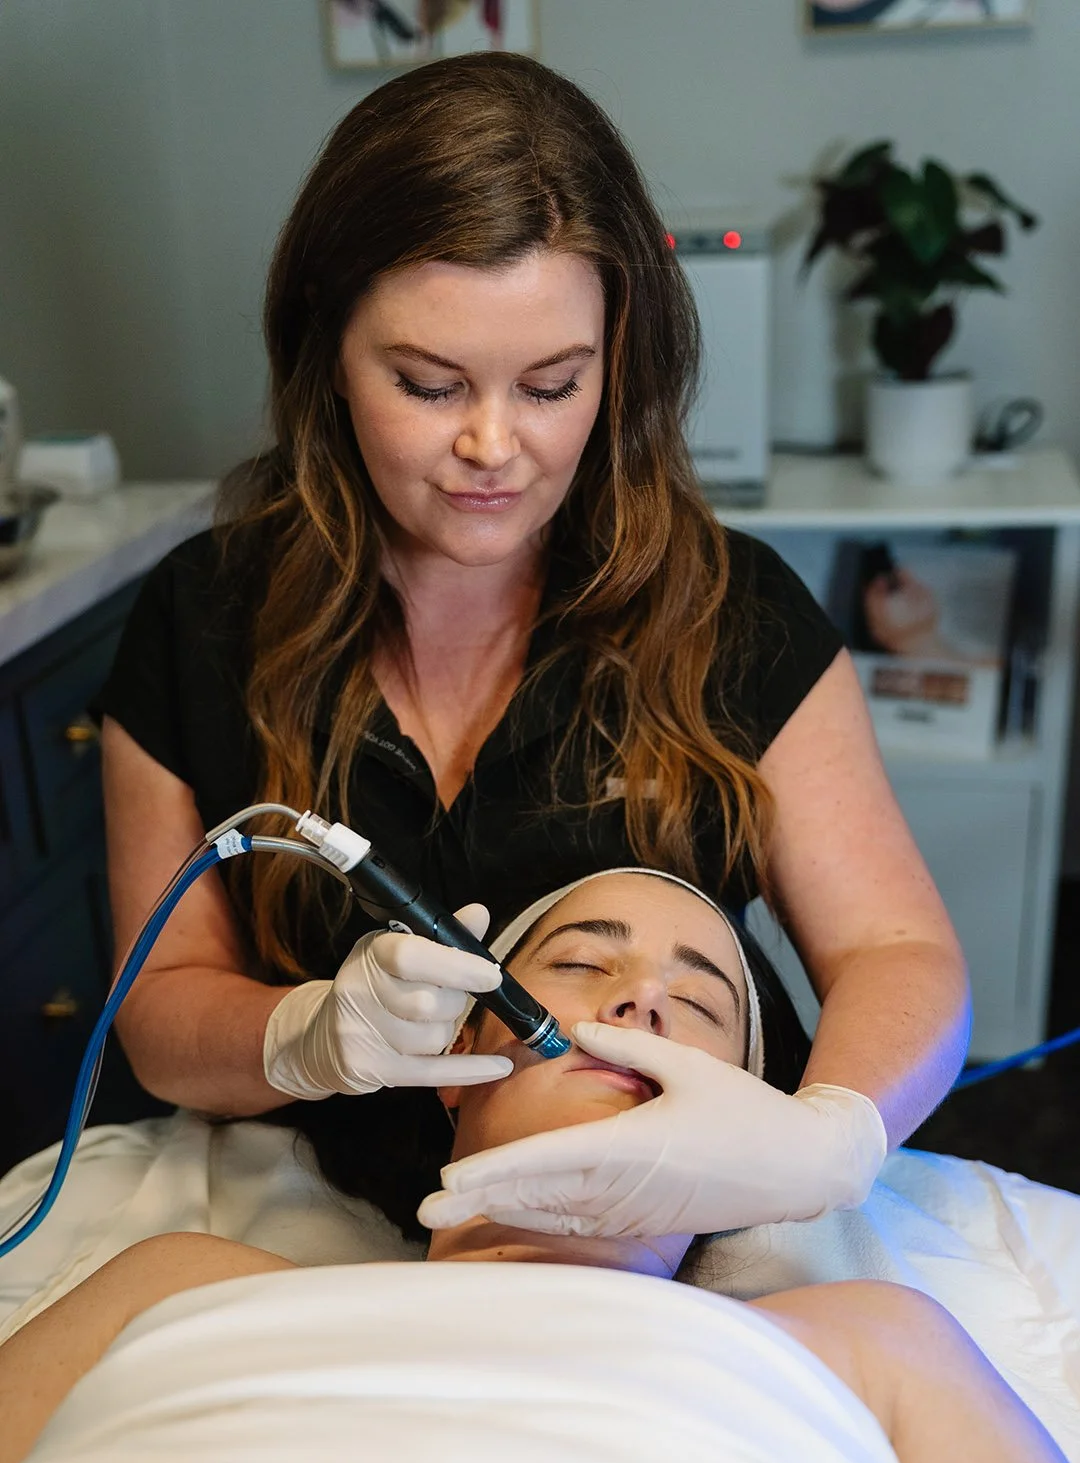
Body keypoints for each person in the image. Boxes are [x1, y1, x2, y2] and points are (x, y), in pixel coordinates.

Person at [97, 50, 970, 1246]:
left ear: (618, 365)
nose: (495, 447)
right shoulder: (199, 620)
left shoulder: (734, 614)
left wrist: (831, 1131)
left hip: (675, 1241)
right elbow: (160, 1010)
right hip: (333, 1232)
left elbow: (897, 948)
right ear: (326, 356)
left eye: (553, 385)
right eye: (428, 383)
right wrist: (302, 1039)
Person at [0, 874, 1076, 1463]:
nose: (641, 996)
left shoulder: (870, 1342)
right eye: (575, 964)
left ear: (759, 1131)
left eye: (697, 1002)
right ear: (454, 1053)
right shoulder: (182, 1277)